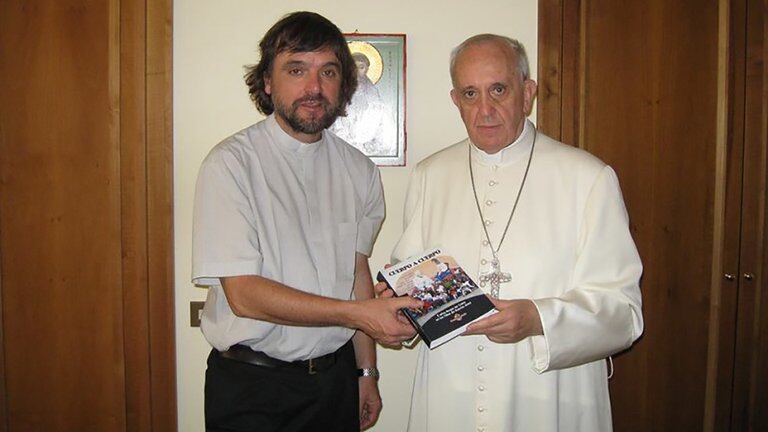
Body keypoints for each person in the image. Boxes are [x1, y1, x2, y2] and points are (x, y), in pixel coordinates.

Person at [386, 34, 643, 431]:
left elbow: (624, 314)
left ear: (527, 93)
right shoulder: (430, 175)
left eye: (498, 90)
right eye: (470, 94)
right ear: (456, 100)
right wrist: (397, 307)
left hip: (549, 394)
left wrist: (538, 318)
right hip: (449, 392)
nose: (484, 110)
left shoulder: (588, 178)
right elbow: (410, 274)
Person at [191, 11, 419, 432]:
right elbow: (245, 296)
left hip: (334, 385)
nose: (313, 88)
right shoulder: (231, 165)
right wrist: (360, 314)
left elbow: (356, 271)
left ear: (343, 84)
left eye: (327, 72)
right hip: (252, 388)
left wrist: (365, 372)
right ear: (266, 82)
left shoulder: (360, 171)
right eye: (296, 70)